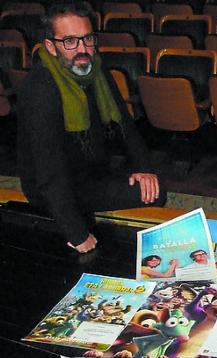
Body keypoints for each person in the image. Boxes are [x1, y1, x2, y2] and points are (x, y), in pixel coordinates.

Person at [17, 1, 166, 254]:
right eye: (70, 41)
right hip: (55, 184)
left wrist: (143, 169)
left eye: (87, 39)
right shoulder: (41, 89)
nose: (82, 49)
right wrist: (77, 234)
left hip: (92, 171)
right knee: (85, 236)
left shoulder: (95, 69)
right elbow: (49, 174)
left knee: (154, 190)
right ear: (51, 46)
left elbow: (125, 126)